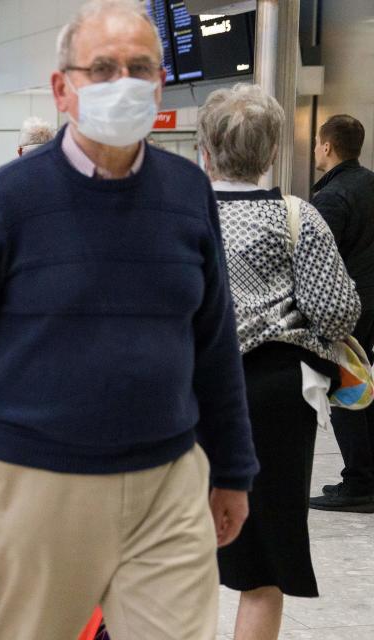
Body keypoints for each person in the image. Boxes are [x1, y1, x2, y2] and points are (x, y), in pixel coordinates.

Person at [0, 2, 259, 638]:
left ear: (160, 83)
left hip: (169, 479)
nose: (123, 82)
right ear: (63, 87)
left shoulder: (188, 191)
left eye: (140, 68)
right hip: (41, 480)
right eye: (102, 68)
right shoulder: (11, 199)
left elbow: (214, 341)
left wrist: (233, 469)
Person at [199, 84, 360, 640]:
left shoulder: (176, 218)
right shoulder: (299, 219)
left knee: (168, 554)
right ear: (272, 153)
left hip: (181, 391)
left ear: (204, 148)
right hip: (270, 395)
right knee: (261, 565)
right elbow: (338, 312)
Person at [308, 114, 374, 513]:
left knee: (344, 391)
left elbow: (319, 261)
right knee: (363, 386)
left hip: (350, 304)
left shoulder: (332, 197)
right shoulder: (370, 183)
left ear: (327, 146)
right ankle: (366, 477)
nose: (316, 149)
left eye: (318, 143)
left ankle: (359, 484)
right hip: (372, 298)